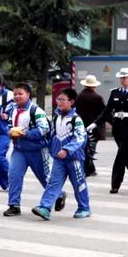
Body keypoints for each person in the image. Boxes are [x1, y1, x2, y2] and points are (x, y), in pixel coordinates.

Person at [3, 83, 65, 217]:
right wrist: (9, 132)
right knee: (14, 175)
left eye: (20, 94)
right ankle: (14, 205)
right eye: (15, 94)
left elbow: (44, 129)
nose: (17, 96)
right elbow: (9, 124)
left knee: (45, 178)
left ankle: (59, 194)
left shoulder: (36, 110)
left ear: (28, 95)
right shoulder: (12, 109)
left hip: (37, 150)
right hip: (19, 150)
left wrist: (26, 134)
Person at [33, 88, 90, 220]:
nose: (59, 102)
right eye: (58, 99)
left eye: (62, 100)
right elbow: (52, 135)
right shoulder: (56, 118)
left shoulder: (76, 119)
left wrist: (67, 150)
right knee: (53, 183)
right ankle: (45, 207)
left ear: (71, 102)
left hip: (74, 159)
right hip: (58, 159)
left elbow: (80, 138)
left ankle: (84, 207)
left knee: (79, 184)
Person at [88, 68, 128, 194]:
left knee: (121, 154)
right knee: (126, 154)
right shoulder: (114, 92)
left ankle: (115, 184)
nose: (122, 80)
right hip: (118, 129)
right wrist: (94, 124)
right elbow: (106, 112)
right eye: (121, 78)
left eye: (124, 77)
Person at [75, 75, 105, 177]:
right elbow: (104, 113)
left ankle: (89, 168)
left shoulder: (79, 96)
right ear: (94, 86)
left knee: (83, 147)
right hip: (94, 125)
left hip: (80, 125)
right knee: (91, 148)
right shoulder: (97, 97)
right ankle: (88, 169)